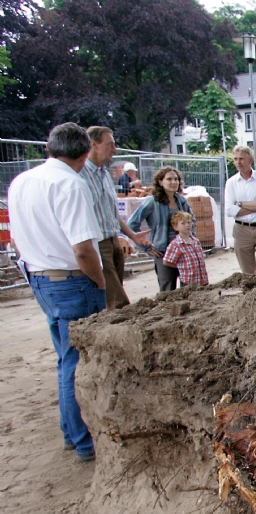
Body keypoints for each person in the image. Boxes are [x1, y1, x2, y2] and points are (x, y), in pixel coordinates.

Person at [8, 122, 106, 463]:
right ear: (83, 153)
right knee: (78, 363)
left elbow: (18, 235)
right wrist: (100, 281)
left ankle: (71, 433)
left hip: (40, 278)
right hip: (72, 281)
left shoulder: (22, 181)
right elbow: (82, 248)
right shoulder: (70, 183)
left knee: (65, 358)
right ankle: (83, 442)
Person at [80, 126, 150, 309]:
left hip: (113, 239)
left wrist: (132, 235)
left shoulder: (104, 174)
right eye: (110, 144)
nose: (115, 149)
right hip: (98, 242)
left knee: (112, 294)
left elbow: (111, 213)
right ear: (94, 145)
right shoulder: (80, 175)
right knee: (116, 298)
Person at [128, 166, 195, 291]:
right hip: (163, 252)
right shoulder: (152, 202)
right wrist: (146, 247)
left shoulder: (181, 201)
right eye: (169, 179)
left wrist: (191, 239)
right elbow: (132, 224)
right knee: (167, 289)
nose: (173, 182)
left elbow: (193, 220)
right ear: (160, 182)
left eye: (176, 179)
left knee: (188, 287)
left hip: (184, 250)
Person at [224, 145, 256, 274]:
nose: (238, 162)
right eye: (235, 159)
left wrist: (239, 204)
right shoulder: (231, 183)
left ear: (251, 160)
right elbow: (230, 210)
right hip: (241, 231)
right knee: (247, 272)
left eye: (241, 158)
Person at [162, 211, 208, 287]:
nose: (187, 225)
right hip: (188, 282)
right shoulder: (176, 244)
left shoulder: (196, 241)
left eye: (189, 222)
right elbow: (166, 261)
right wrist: (180, 266)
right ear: (175, 227)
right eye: (183, 223)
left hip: (203, 280)